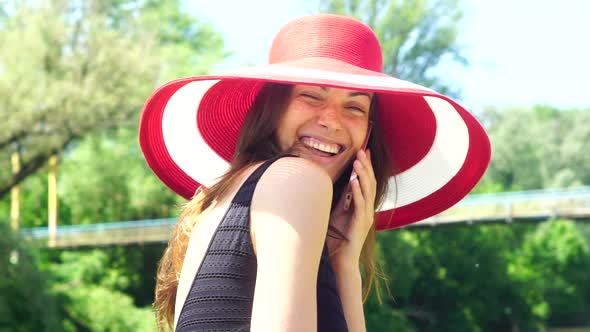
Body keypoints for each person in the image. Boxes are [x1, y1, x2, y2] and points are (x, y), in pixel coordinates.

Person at [139, 14, 491, 332]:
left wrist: (345, 263)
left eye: (354, 106)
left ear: (367, 135)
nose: (331, 120)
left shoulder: (211, 210)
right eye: (311, 96)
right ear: (271, 110)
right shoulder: (296, 180)